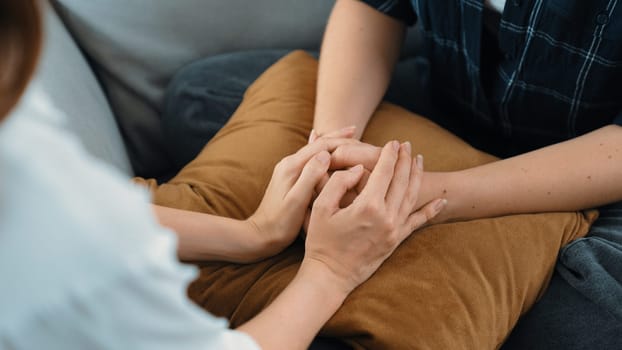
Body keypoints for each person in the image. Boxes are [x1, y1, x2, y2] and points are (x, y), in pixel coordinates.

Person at [159, 0, 622, 348]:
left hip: (600, 177)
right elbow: (373, 6)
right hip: (448, 105)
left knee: (586, 320)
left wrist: (435, 194)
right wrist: (329, 148)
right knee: (202, 95)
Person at [0, 2, 445, 350]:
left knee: (197, 94)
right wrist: (331, 270)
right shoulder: (74, 275)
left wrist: (254, 233)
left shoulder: (20, 117)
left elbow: (82, 200)